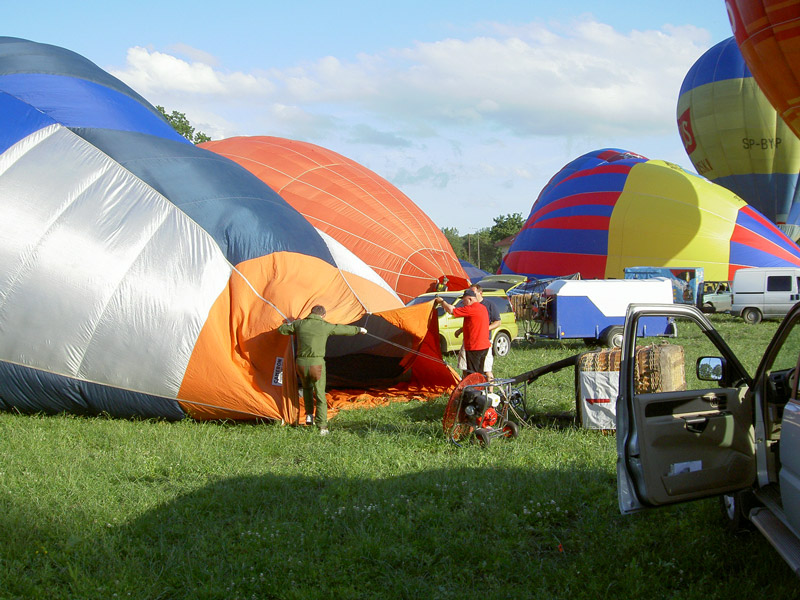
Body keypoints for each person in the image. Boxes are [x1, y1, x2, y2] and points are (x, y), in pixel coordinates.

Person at [278, 305, 367, 435]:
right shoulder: (325, 326)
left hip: (301, 363)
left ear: (311, 313)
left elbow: (282, 330)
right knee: (320, 395)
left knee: (306, 389)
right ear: (323, 315)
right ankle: (322, 426)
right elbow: (342, 329)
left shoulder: (299, 324)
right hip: (317, 364)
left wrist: (289, 323)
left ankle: (309, 415)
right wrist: (359, 329)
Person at [435, 289, 490, 378]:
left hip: (475, 346)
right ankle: (481, 389)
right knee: (479, 372)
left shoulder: (472, 309)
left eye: (464, 300)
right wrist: (461, 330)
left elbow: (451, 310)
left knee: (473, 374)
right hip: (483, 346)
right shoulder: (482, 308)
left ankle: (474, 390)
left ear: (470, 299)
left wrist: (442, 302)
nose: (463, 303)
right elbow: (473, 323)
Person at [457, 284, 501, 380]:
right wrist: (461, 330)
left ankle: (489, 392)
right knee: (466, 368)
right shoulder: (469, 306)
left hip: (483, 342)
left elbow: (498, 322)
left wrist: (483, 329)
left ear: (480, 293)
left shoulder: (489, 305)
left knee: (486, 370)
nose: (472, 294)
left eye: (474, 292)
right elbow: (471, 323)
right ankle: (467, 388)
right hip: (470, 342)